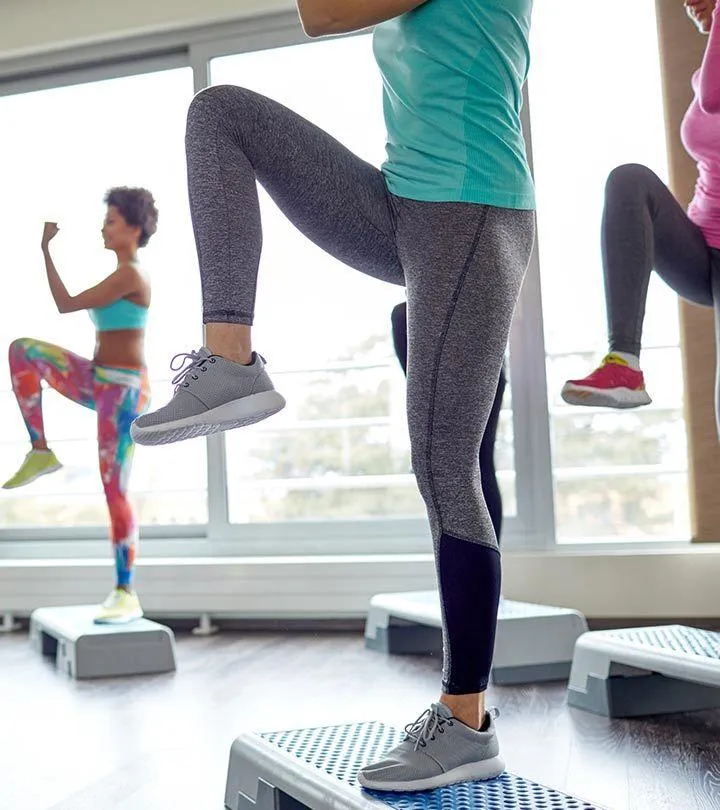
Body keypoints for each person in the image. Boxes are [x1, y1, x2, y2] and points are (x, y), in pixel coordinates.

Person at [132, 0, 535, 791]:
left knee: (446, 465)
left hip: (466, 209)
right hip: (405, 201)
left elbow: (323, 12)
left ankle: (465, 720)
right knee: (220, 115)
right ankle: (230, 360)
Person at [562, 0, 720, 431]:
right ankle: (624, 363)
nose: (689, 3)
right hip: (702, 253)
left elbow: (712, 95)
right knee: (629, 182)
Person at [3, 188, 157, 624]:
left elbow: (66, 303)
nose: (103, 228)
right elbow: (67, 306)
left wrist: (45, 249)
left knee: (115, 489)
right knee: (23, 351)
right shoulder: (120, 275)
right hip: (98, 378)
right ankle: (40, 451)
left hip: (124, 392)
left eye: (110, 221)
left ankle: (126, 590)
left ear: (133, 228)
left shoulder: (132, 276)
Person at [391, 301, 507, 544]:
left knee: (477, 462)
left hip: (478, 352)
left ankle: (487, 568)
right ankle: (471, 569)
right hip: (440, 356)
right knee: (402, 314)